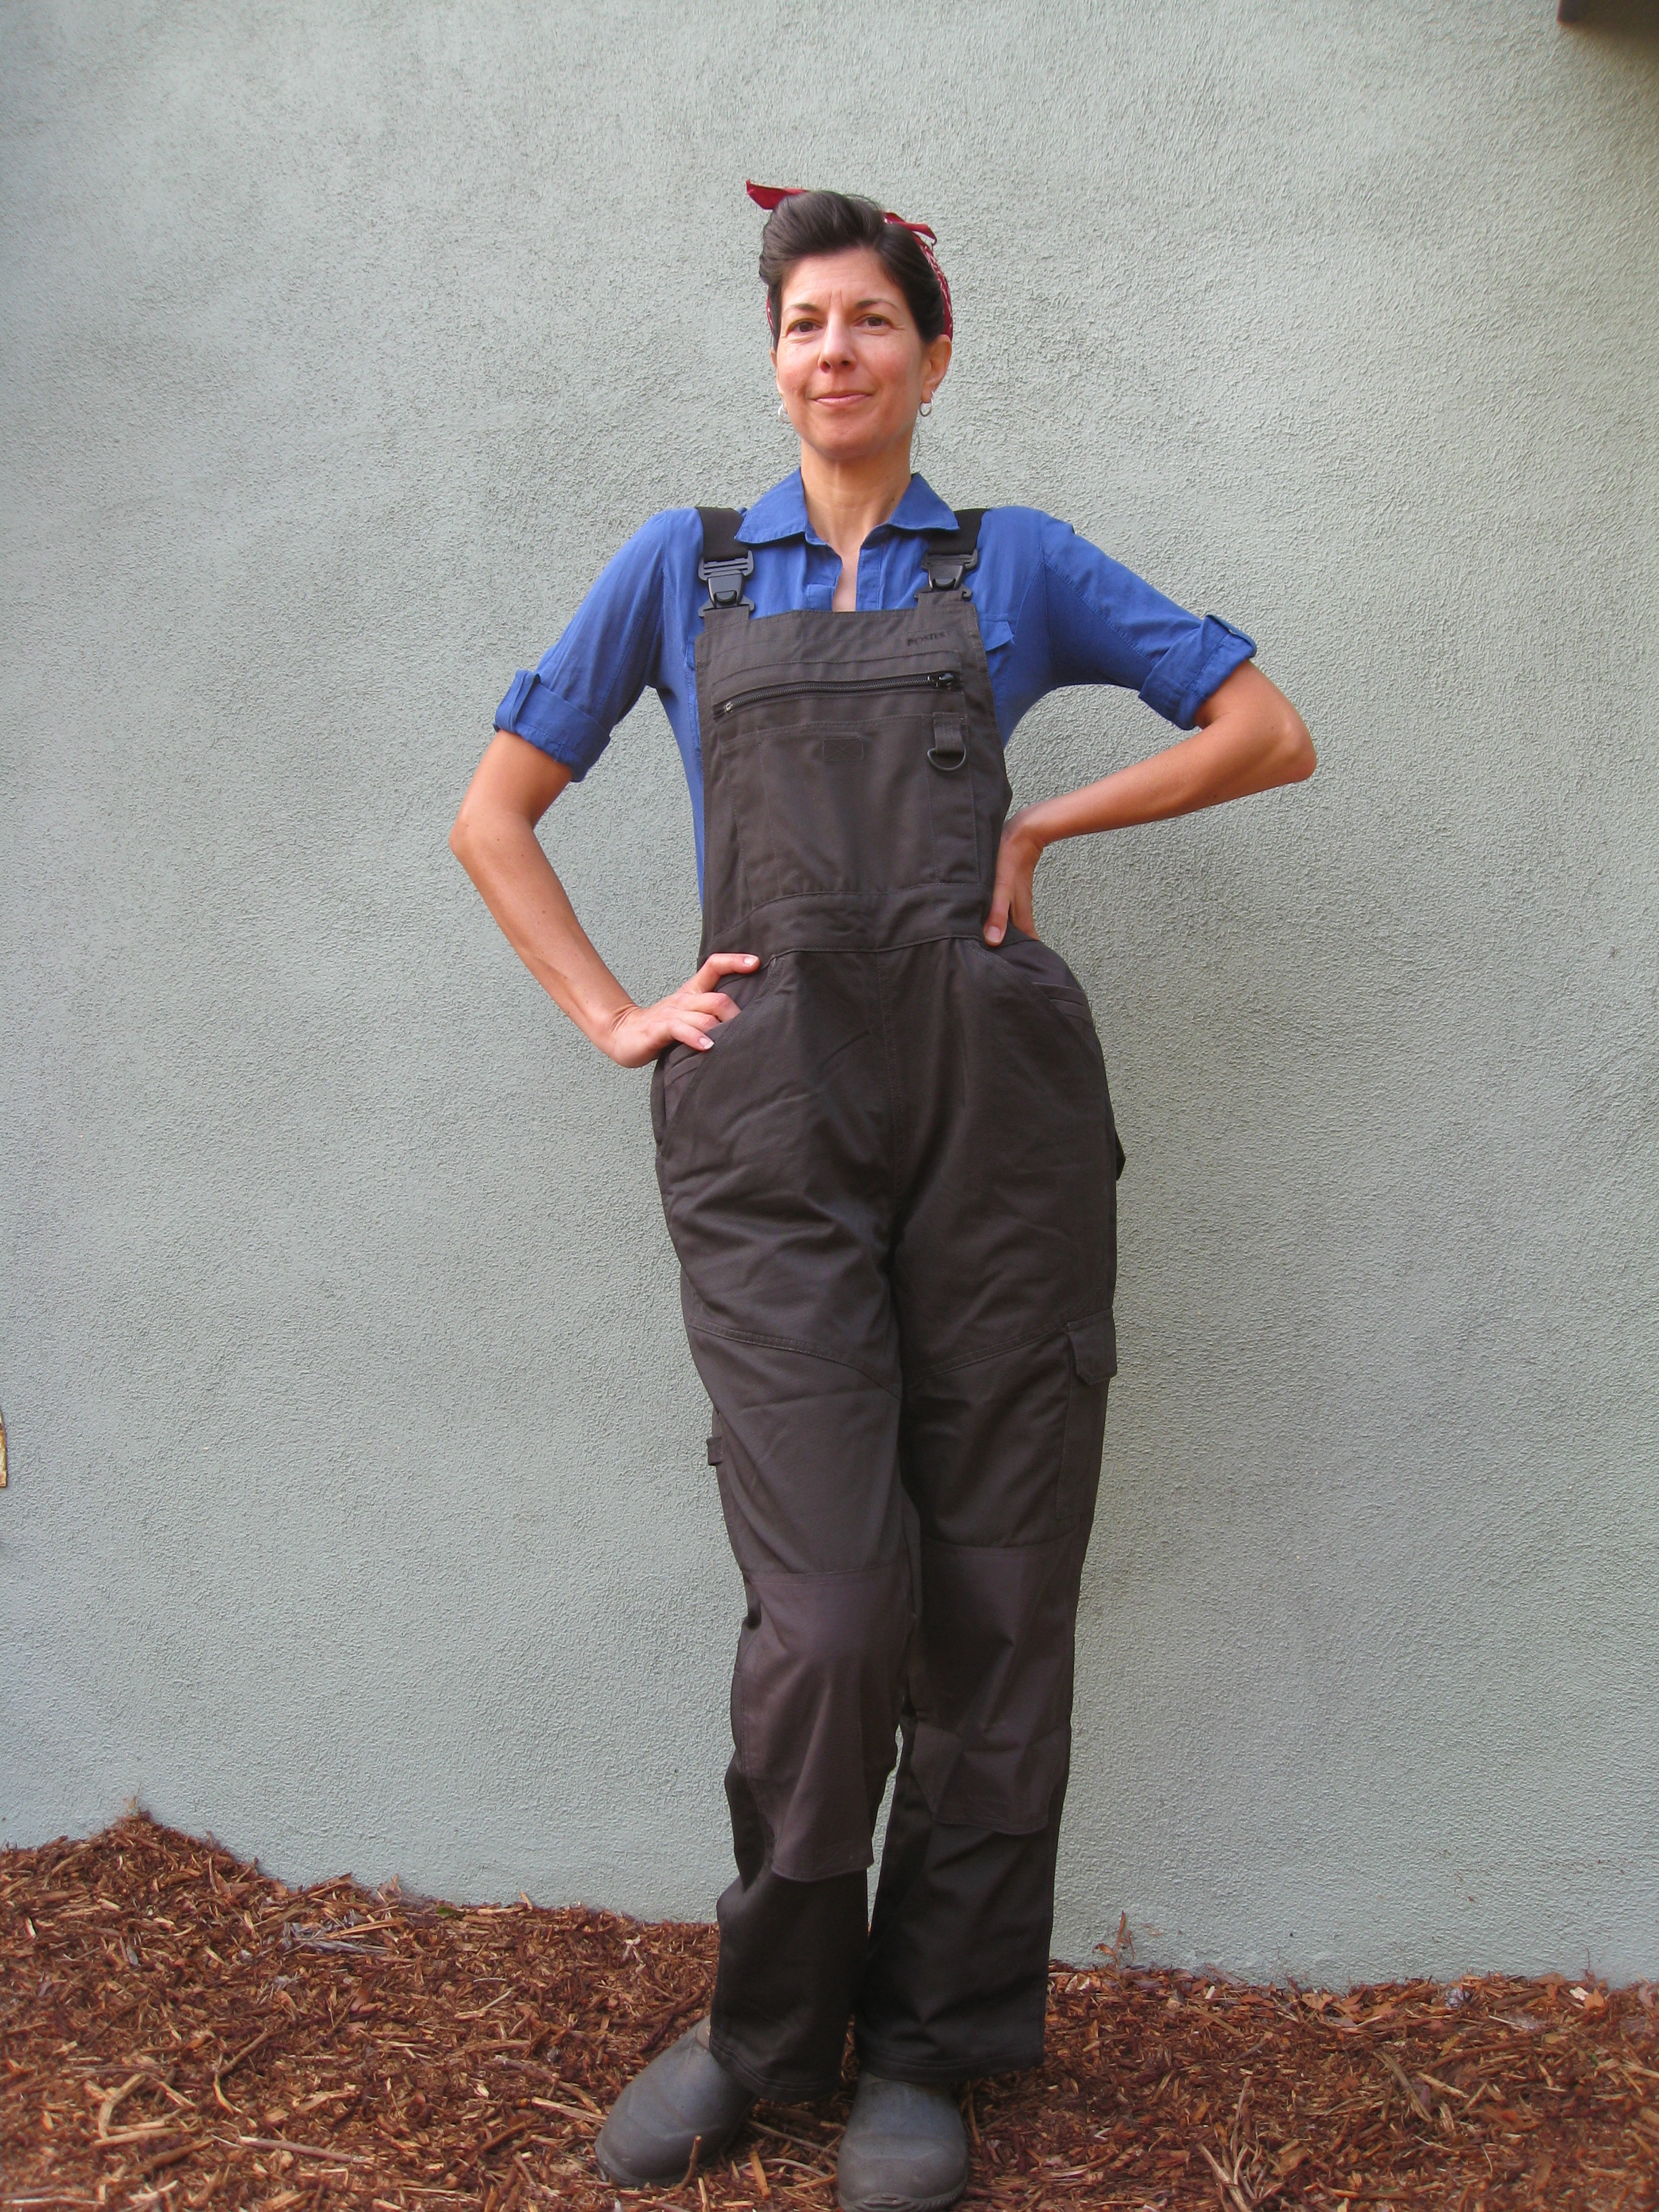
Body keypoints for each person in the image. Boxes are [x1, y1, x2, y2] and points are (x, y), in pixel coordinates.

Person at [451, 183, 1315, 2212]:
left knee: (1000, 1600)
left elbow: (1264, 732)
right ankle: (767, 2030)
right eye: (801, 323)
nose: (831, 351)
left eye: (867, 320)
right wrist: (614, 1011)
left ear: (933, 352)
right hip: (770, 1138)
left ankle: (931, 2047)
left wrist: (1046, 819)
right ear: (775, 359)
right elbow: (494, 812)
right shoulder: (685, 569)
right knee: (835, 1614)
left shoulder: (1015, 564)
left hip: (994, 1133)